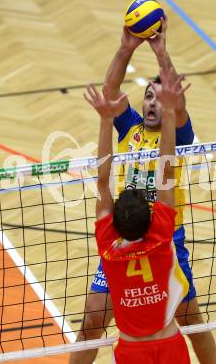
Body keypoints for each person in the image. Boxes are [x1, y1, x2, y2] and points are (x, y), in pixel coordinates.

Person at [70, 19, 216, 364]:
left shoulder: (178, 134)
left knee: (190, 320)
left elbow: (176, 105)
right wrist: (125, 49)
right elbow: (109, 95)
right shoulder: (130, 127)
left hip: (165, 238)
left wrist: (162, 53)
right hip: (124, 236)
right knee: (92, 322)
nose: (153, 103)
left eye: (157, 97)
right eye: (147, 97)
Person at [85, 66, 191, 363]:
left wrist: (105, 120)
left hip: (132, 351)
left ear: (115, 221)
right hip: (169, 345)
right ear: (152, 213)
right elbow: (166, 173)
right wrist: (170, 111)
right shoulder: (162, 237)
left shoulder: (109, 247)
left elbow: (103, 181)